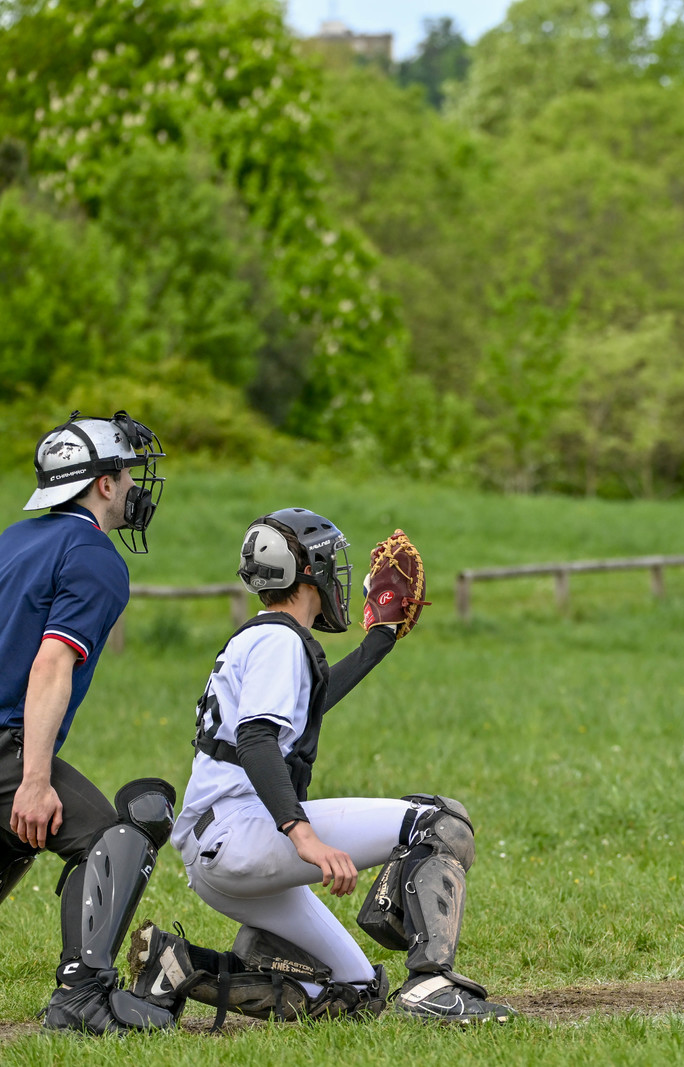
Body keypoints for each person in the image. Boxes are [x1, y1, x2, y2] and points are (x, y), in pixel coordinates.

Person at [125, 510, 514, 1025]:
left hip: (216, 853)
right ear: (305, 571)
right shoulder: (280, 640)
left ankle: (178, 966)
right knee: (440, 823)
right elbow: (257, 739)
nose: (338, 573)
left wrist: (379, 641)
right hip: (244, 833)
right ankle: (432, 984)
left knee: (354, 995)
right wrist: (302, 835)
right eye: (330, 560)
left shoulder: (262, 637)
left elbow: (307, 705)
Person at [0, 412, 180, 1035]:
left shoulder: (11, 540)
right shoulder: (93, 555)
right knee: (113, 836)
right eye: (127, 472)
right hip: (5, 745)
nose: (134, 485)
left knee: (15, 839)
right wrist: (33, 777)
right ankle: (81, 996)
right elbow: (51, 666)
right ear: (102, 483)